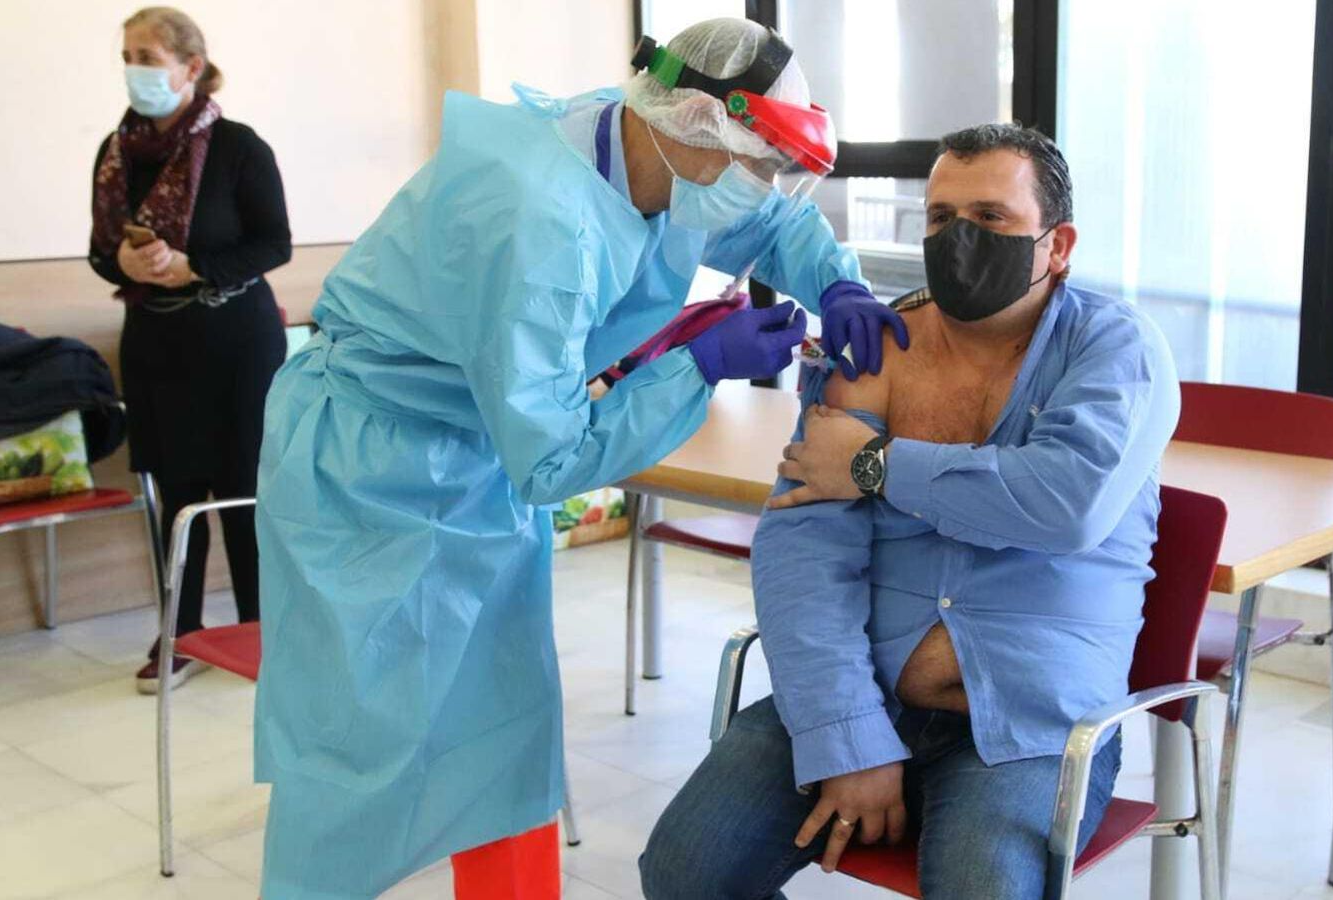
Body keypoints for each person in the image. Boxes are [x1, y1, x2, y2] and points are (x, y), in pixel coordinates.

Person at [252, 17, 907, 899]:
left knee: (502, 727)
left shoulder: (634, 143)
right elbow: (553, 461)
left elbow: (761, 225)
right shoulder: (539, 219)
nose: (767, 188)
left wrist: (836, 279)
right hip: (366, 468)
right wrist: (699, 367)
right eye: (759, 165)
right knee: (358, 744)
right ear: (690, 129)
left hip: (472, 453)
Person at [640, 124, 1180, 899]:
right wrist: (848, 737)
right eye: (938, 218)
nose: (958, 239)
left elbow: (1065, 504)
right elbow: (803, 551)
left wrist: (874, 466)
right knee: (684, 871)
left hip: (1032, 729)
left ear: (1057, 245)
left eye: (990, 219)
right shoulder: (879, 347)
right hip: (860, 688)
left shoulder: (1116, 349)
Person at [87, 6, 289, 694]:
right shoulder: (116, 153)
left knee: (243, 489)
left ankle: (266, 632)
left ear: (191, 67)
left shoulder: (238, 147)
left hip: (235, 338)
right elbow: (98, 252)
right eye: (129, 55)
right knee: (173, 494)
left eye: (148, 55)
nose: (134, 69)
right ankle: (181, 631)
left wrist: (194, 265)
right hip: (155, 340)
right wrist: (125, 262)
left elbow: (274, 244)